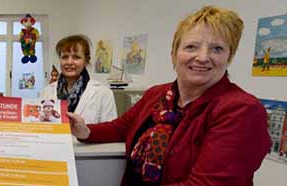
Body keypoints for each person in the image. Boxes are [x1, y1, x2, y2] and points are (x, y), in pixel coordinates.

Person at [66, 6, 271, 185]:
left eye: (217, 49)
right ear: (174, 53)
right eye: (191, 46)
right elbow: (121, 128)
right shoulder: (158, 94)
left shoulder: (241, 110)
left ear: (229, 57)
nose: (202, 57)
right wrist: (84, 131)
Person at [41, 35, 117, 124]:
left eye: (76, 57)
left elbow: (110, 132)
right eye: (65, 57)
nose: (69, 62)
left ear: (86, 60)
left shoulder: (103, 93)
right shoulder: (47, 91)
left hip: (87, 138)